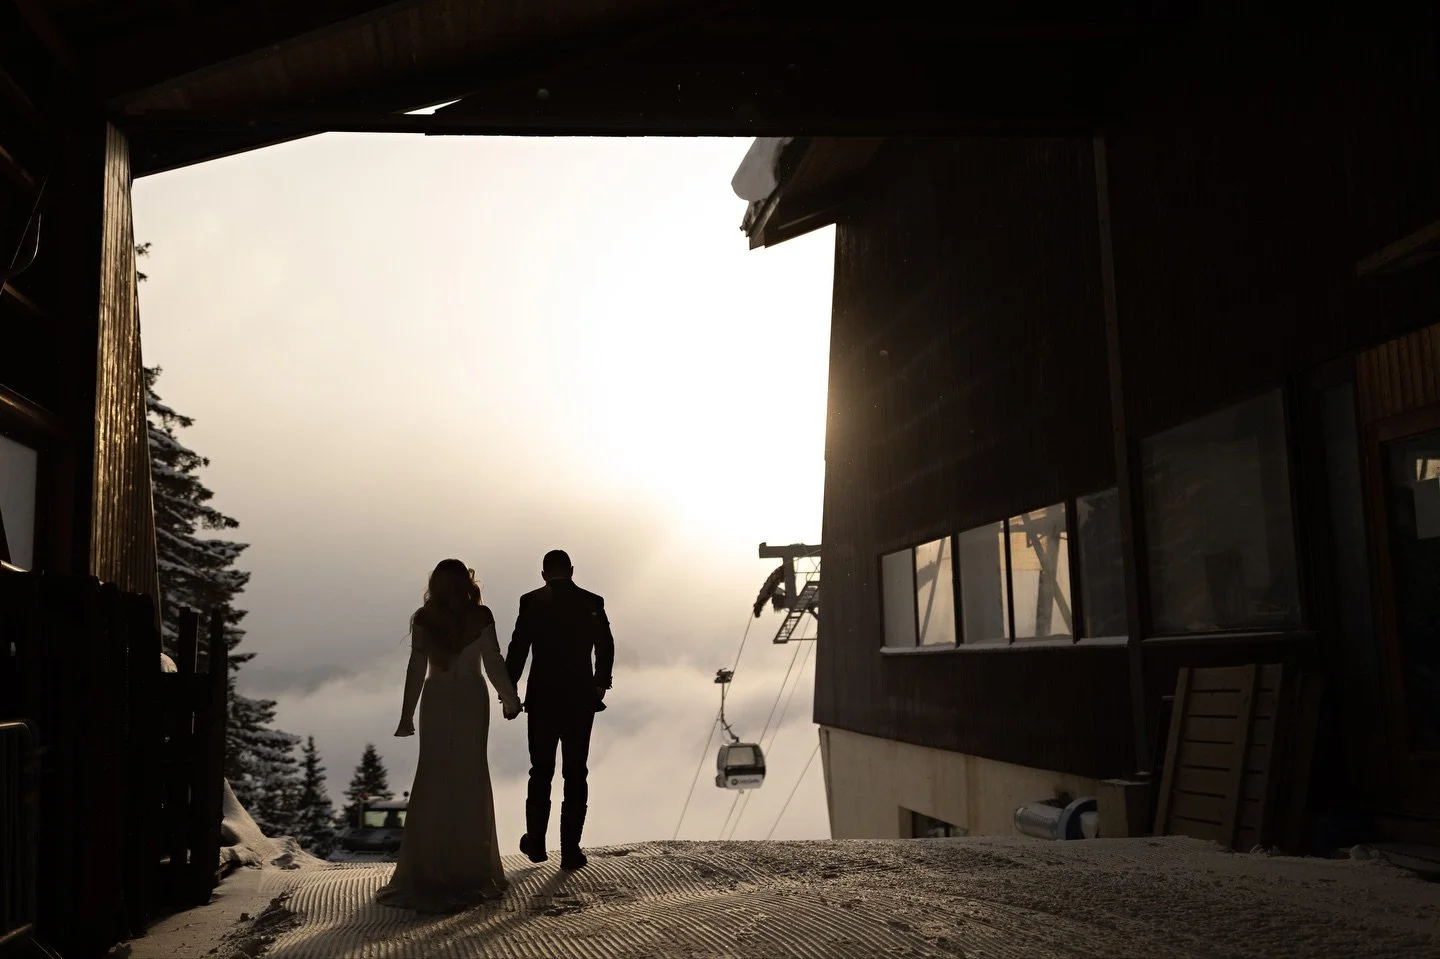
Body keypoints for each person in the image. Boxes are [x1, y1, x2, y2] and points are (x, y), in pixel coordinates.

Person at [376, 559, 523, 912]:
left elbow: (416, 667)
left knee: (433, 776)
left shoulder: (425, 619)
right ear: (467, 582)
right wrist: (510, 698)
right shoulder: (481, 616)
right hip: (473, 699)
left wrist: (406, 715)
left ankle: (429, 866)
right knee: (470, 775)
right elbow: (493, 661)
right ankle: (470, 868)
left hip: (436, 701)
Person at [506, 549, 614, 870]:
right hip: (580, 699)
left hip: (542, 699)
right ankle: (570, 850)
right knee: (575, 772)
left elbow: (519, 647)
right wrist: (600, 682)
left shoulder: (531, 602)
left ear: (543, 574)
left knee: (540, 770)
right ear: (571, 570)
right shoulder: (592, 602)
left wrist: (508, 688)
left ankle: (536, 843)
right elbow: (605, 645)